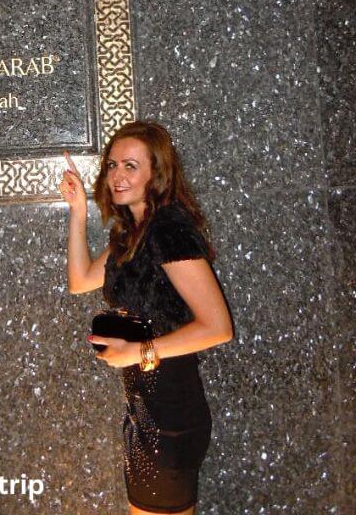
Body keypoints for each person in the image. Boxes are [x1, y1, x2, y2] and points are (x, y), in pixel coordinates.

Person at [59, 120, 234, 515]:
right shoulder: (132, 231)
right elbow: (80, 279)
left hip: (172, 414)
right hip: (143, 411)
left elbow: (218, 327)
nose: (118, 176)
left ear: (157, 173)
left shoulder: (168, 231)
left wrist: (139, 352)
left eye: (131, 166)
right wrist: (78, 211)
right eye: (113, 165)